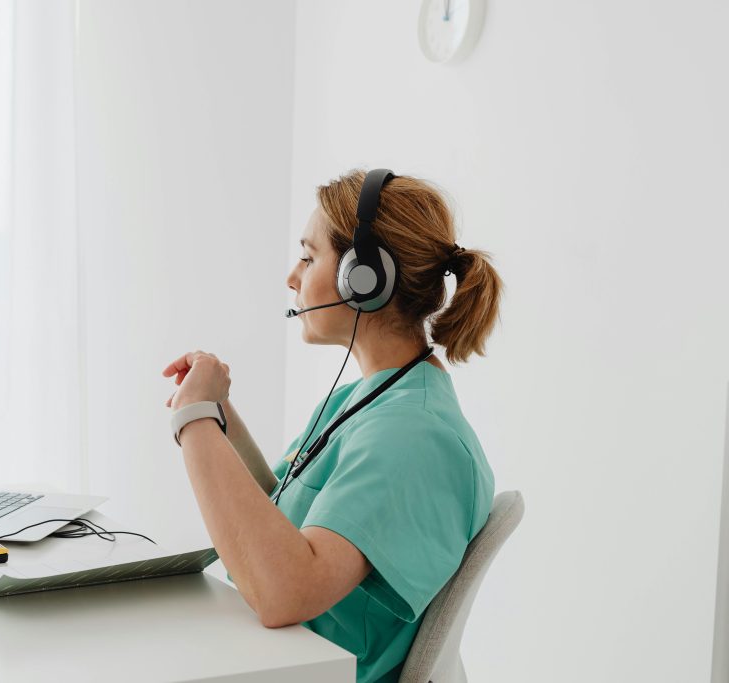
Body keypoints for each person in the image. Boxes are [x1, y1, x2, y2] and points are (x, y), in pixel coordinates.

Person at [162, 169, 503, 683]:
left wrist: (195, 423)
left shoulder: (411, 434)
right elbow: (283, 517)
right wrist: (220, 414)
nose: (292, 277)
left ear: (364, 277)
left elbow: (284, 591)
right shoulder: (373, 398)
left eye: (308, 255)